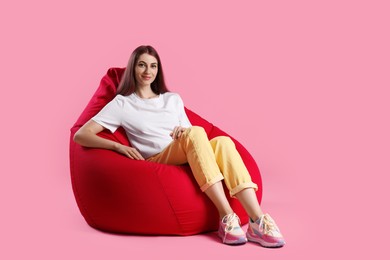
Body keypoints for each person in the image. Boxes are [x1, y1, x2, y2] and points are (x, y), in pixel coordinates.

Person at [73, 45, 285, 248]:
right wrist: (118, 148)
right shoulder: (122, 103)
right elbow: (81, 135)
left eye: (153, 66)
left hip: (182, 149)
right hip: (157, 159)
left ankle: (257, 221)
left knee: (223, 142)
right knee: (196, 133)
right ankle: (226, 215)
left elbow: (189, 132)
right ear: (132, 68)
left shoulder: (172, 99)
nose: (148, 71)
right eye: (142, 65)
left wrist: (181, 132)